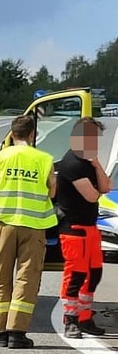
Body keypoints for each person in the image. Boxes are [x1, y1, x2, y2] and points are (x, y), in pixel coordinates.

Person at [0, 114, 57, 349]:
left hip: (5, 225)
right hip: (34, 226)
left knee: (0, 276)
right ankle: (17, 332)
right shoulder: (44, 159)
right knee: (27, 277)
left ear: (12, 134)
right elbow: (52, 192)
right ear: (32, 134)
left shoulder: (1, 157)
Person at [54, 118, 111, 339]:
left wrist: (96, 165)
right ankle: (70, 320)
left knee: (94, 274)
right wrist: (97, 178)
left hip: (90, 228)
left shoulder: (88, 161)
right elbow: (93, 196)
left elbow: (106, 186)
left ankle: (85, 318)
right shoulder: (72, 163)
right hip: (74, 229)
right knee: (75, 275)